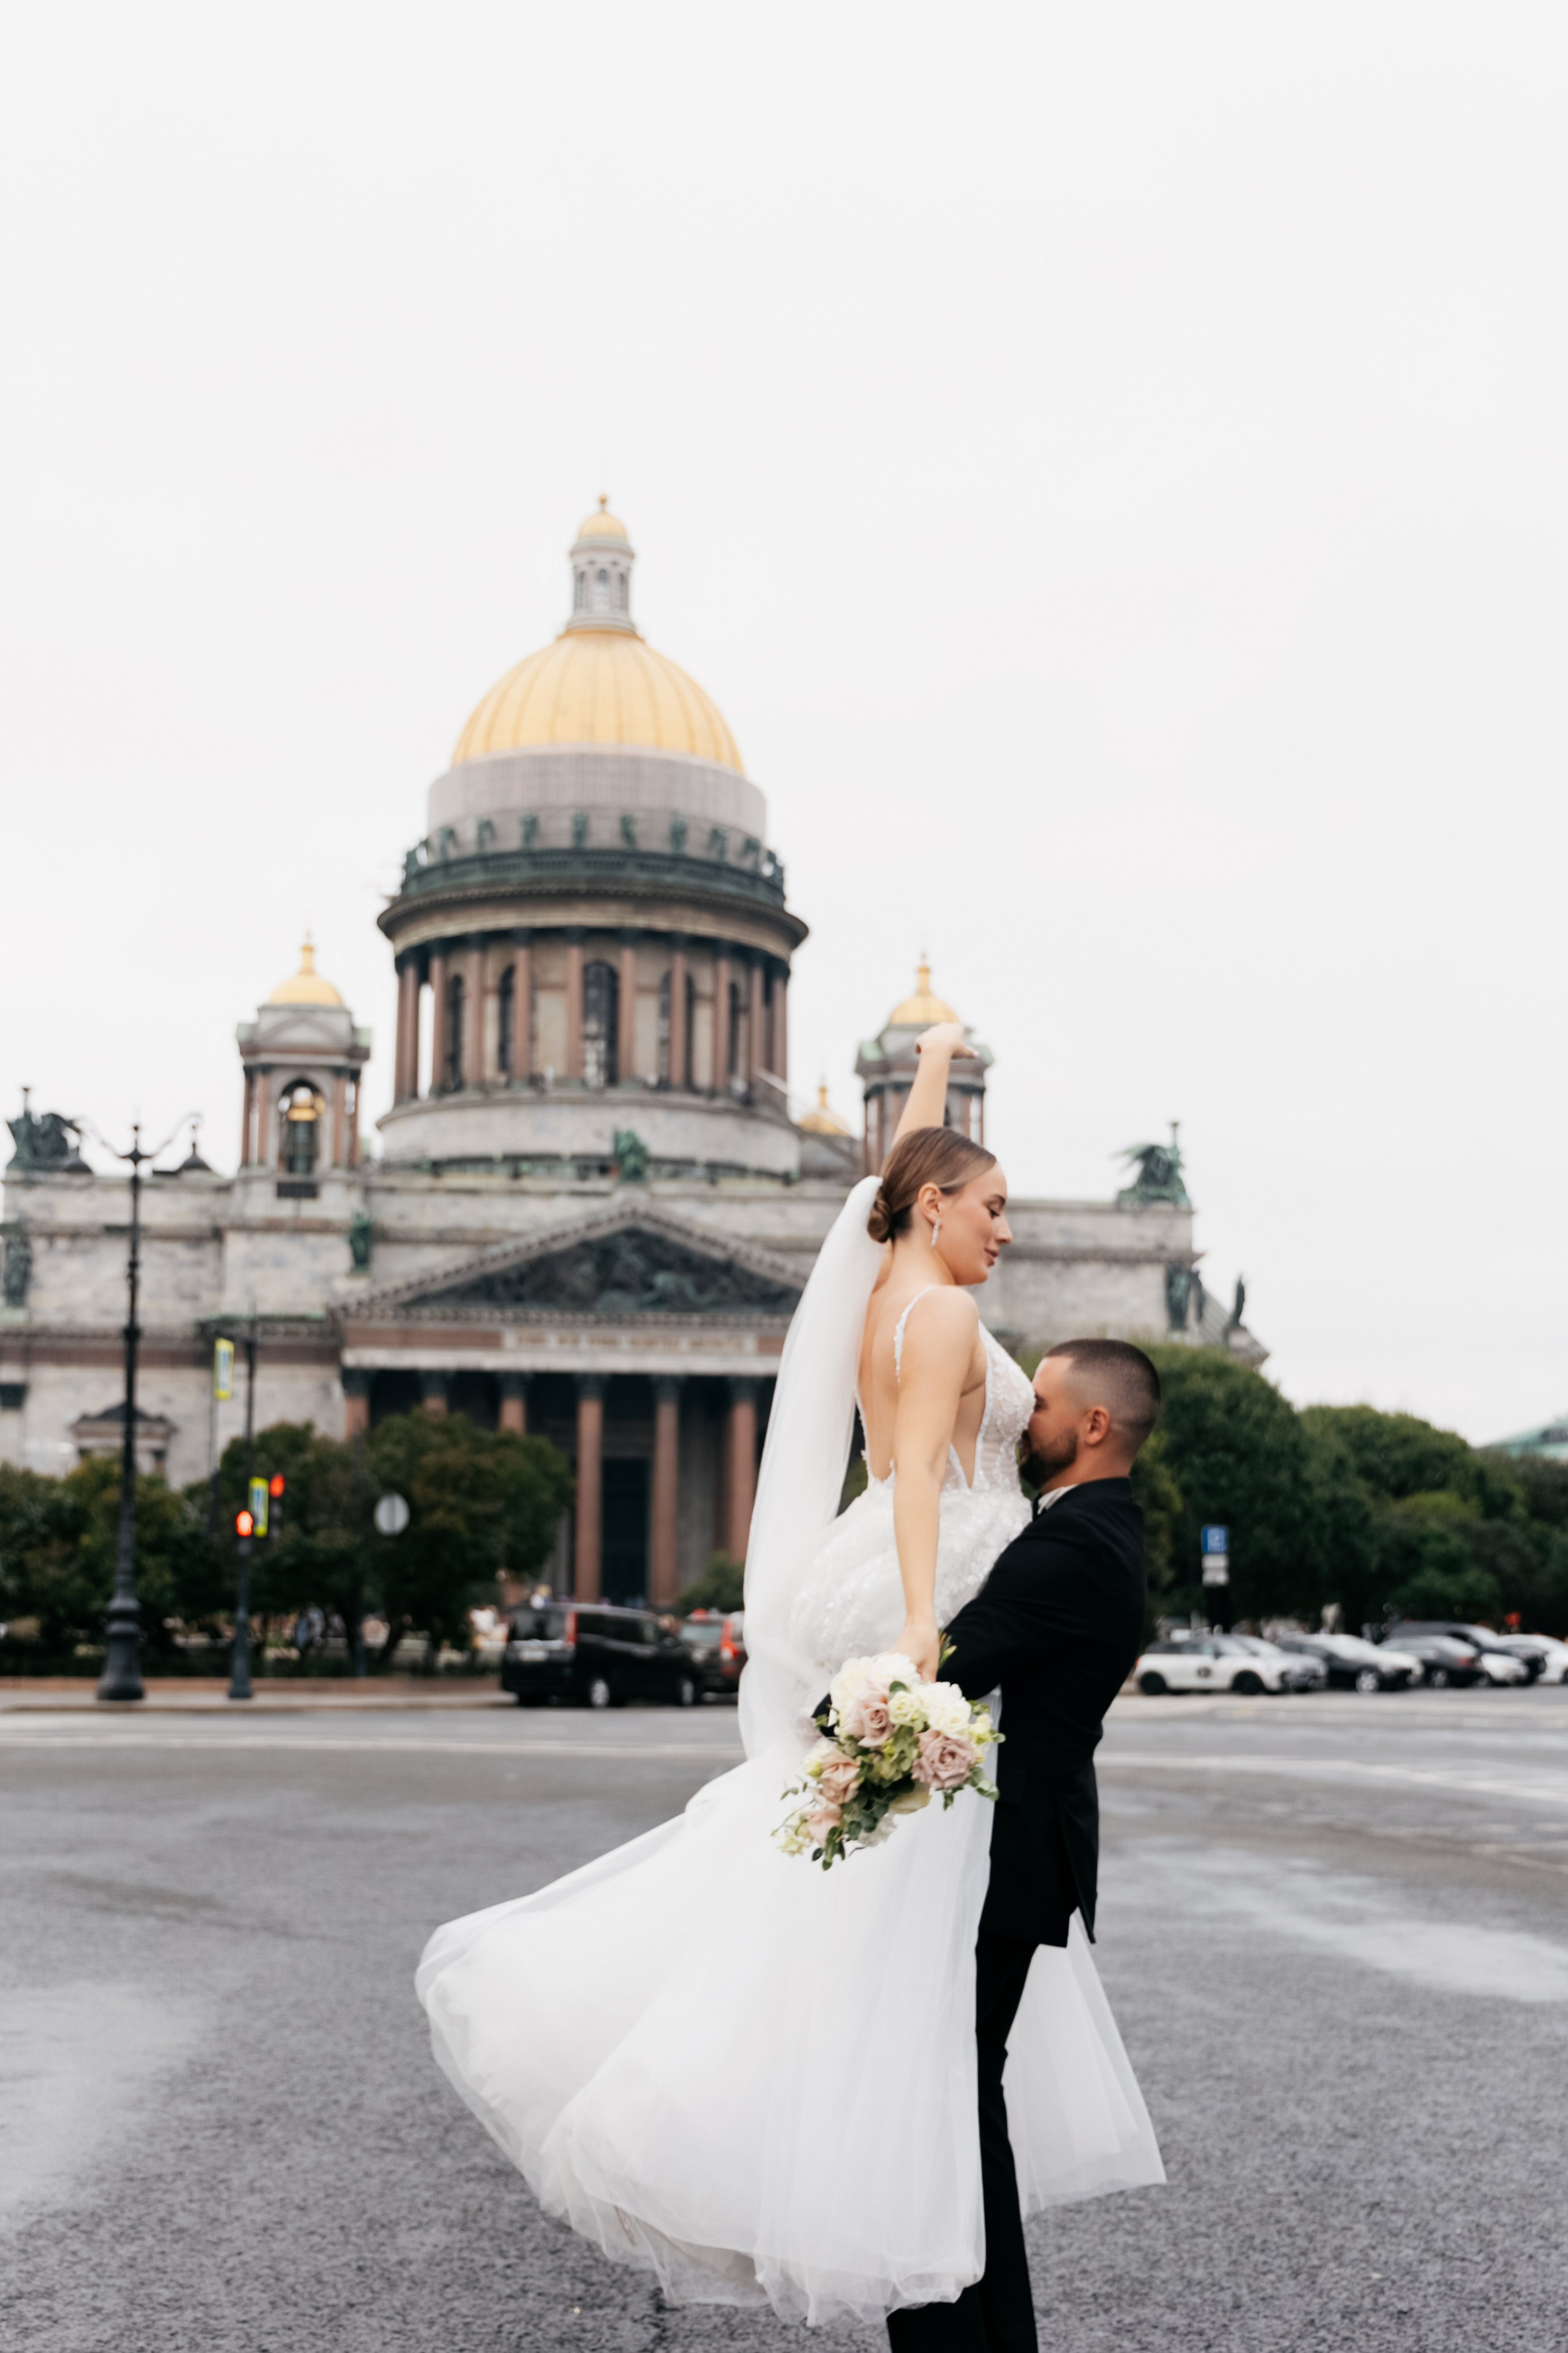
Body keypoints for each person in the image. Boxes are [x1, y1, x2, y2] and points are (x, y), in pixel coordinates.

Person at [416, 1027, 1162, 2332]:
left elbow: (895, 1176)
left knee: (876, 1925)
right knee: (912, 1960)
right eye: (991, 1206)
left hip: (864, 1563)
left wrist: (928, 1060)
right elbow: (923, 1470)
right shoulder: (940, 1307)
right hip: (924, 1572)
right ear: (936, 1208)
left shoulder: (883, 1273)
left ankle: (916, 2238)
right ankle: (931, 2260)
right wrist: (929, 1620)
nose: (1006, 1229)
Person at [889, 1338, 1166, 2351]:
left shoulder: (1074, 1544)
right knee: (959, 2092)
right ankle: (977, 2331)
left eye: (1041, 1402)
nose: (1022, 1416)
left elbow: (956, 1660)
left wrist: (837, 1717)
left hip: (1006, 1859)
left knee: (949, 2097)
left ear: (1093, 1425)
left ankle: (966, 2333)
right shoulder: (1092, 1529)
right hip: (1016, 1850)